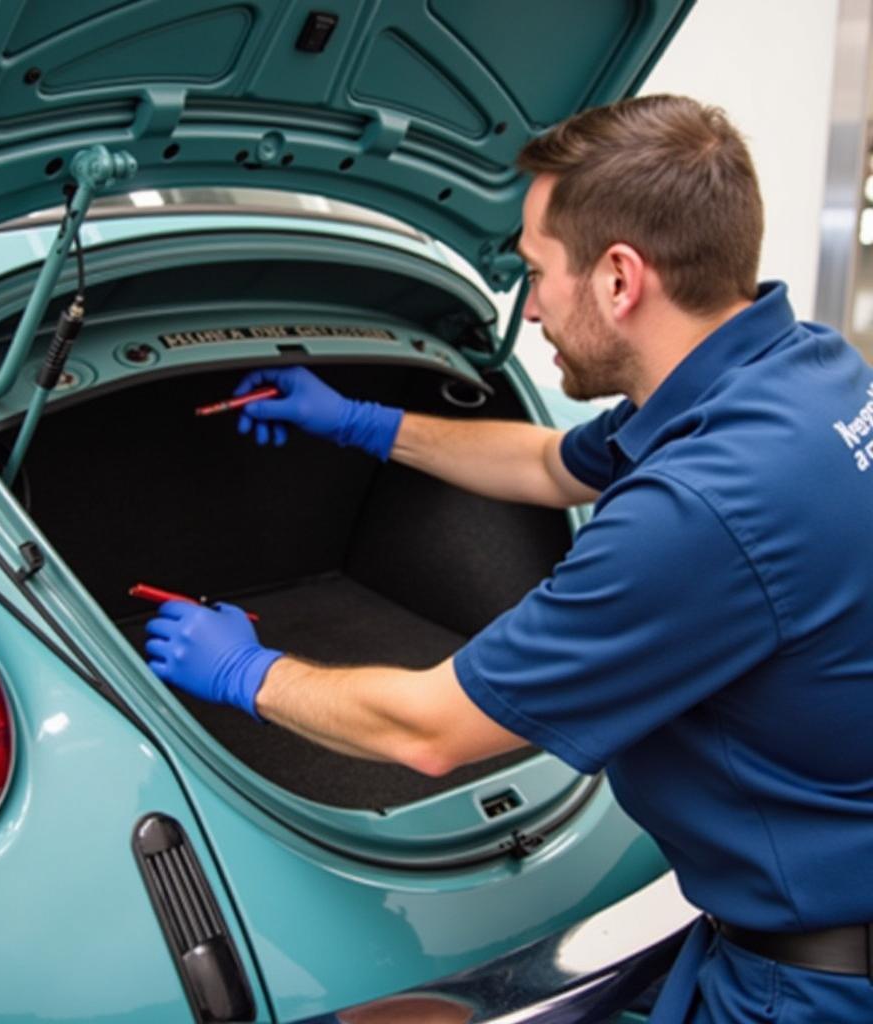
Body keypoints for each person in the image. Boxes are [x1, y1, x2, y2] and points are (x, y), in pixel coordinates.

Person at [144, 94, 873, 1023]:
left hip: (808, 987)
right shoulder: (798, 370)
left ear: (619, 278)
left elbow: (429, 731)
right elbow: (548, 463)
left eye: (536, 273)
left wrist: (247, 670)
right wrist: (361, 423)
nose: (529, 310)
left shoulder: (699, 509)